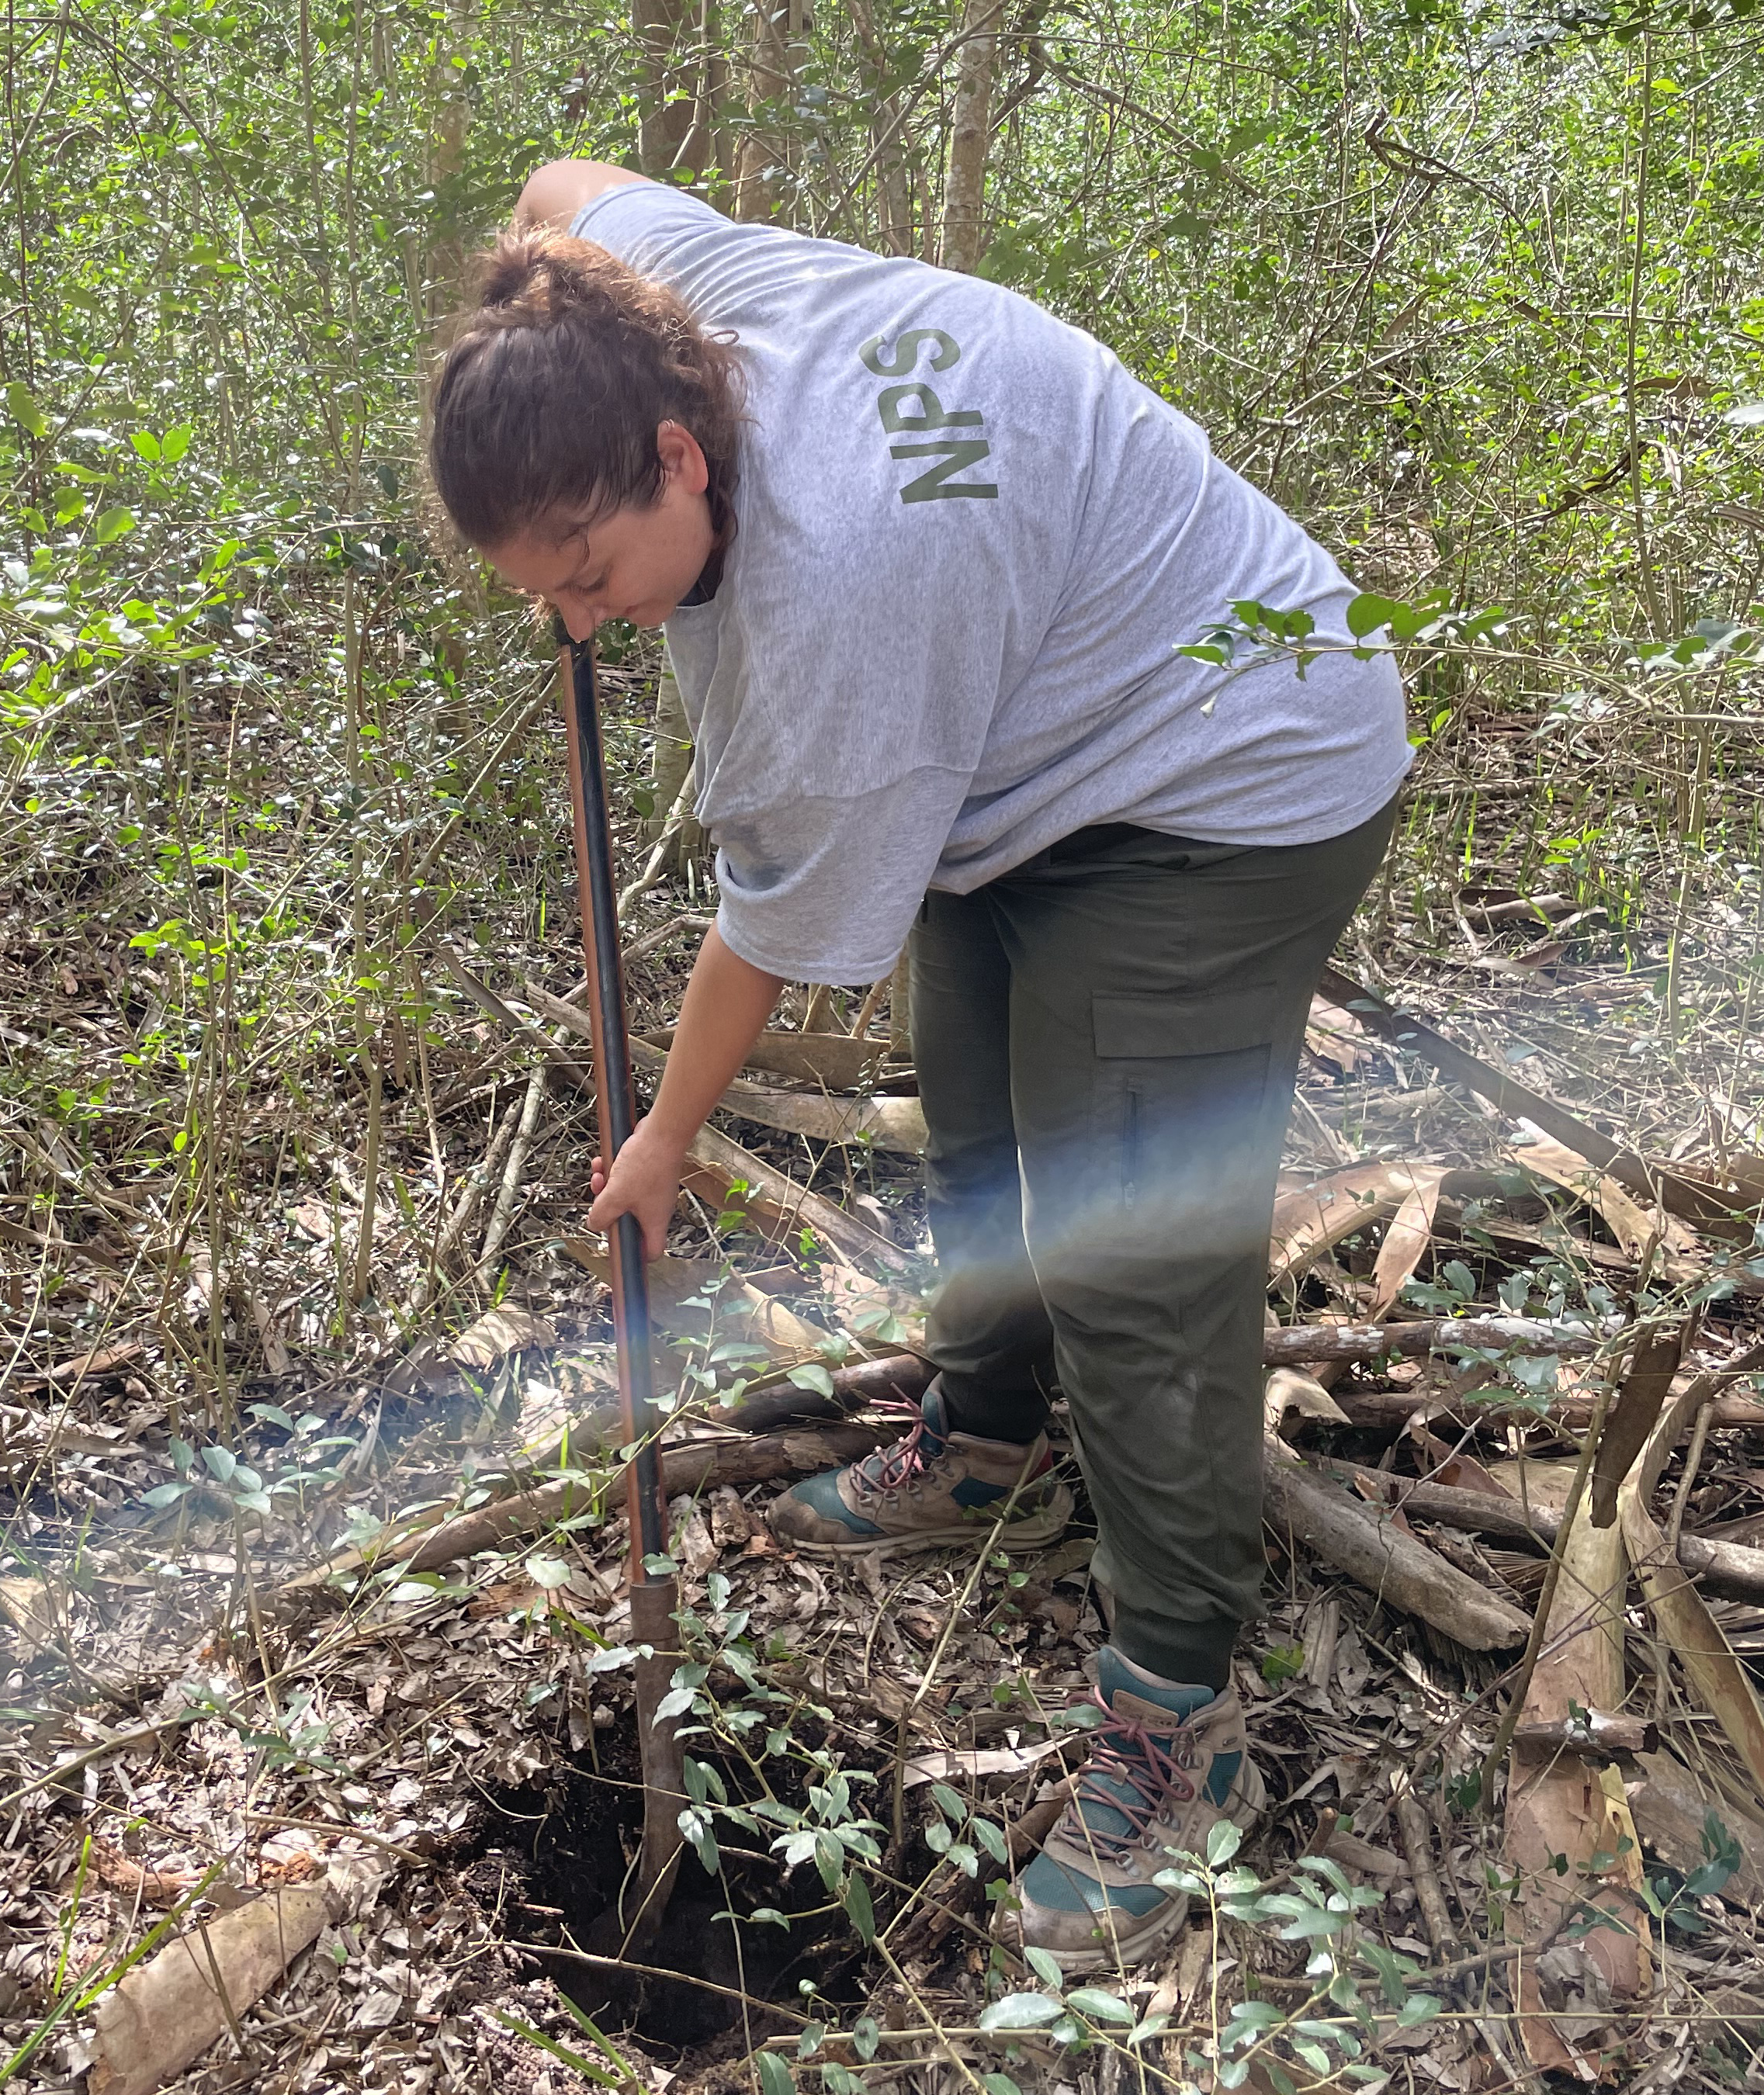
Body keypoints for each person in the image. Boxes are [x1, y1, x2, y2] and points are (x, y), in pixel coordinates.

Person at [426, 160, 1409, 1971]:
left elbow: (772, 941)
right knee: (976, 1101)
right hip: (1032, 736)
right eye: (539, 598)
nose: (577, 627)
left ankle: (1180, 1718)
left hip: (1228, 766)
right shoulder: (658, 299)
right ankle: (986, 1430)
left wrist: (658, 1142)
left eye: (589, 577)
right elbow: (565, 185)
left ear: (681, 459)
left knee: (1126, 1234)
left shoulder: (837, 612)